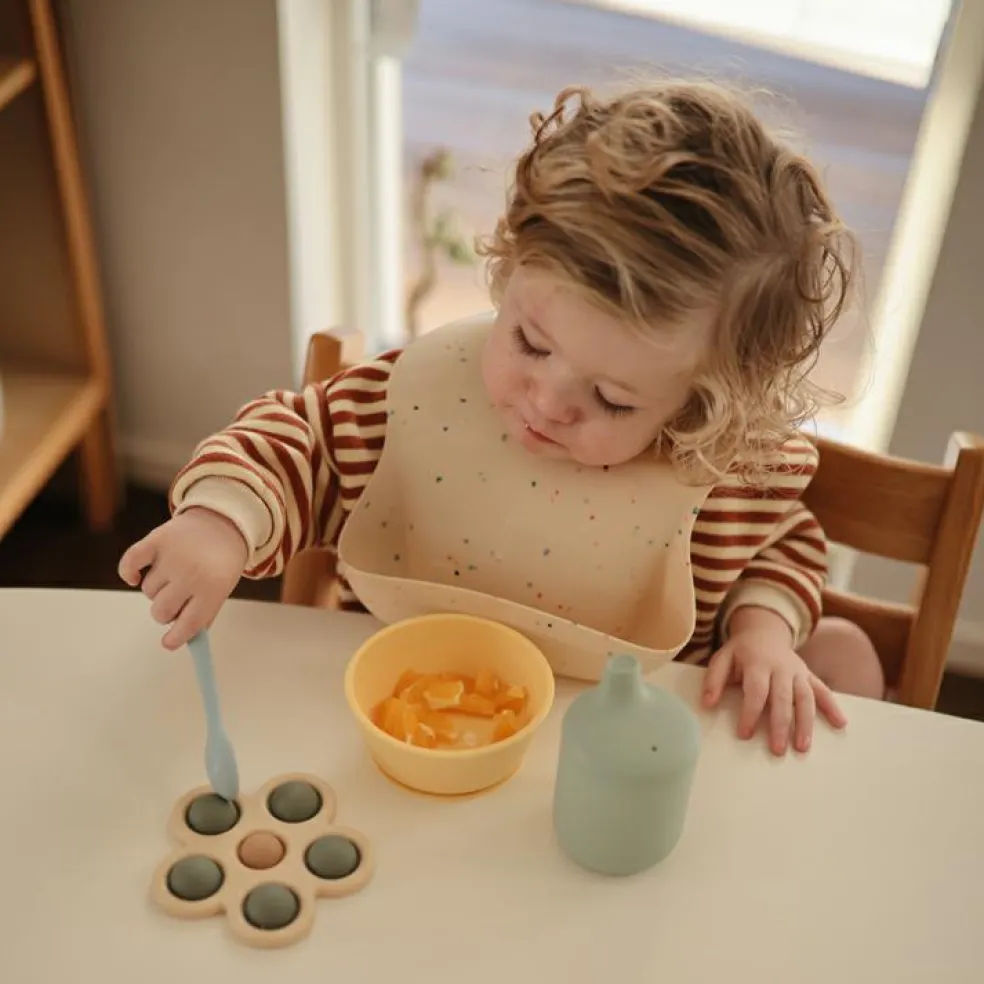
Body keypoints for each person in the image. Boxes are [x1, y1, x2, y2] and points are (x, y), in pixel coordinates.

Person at [119, 79, 886, 757]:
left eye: (613, 399)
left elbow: (780, 544)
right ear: (508, 267)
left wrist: (762, 632)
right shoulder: (417, 404)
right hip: (406, 728)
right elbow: (302, 446)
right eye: (530, 343)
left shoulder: (716, 470)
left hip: (608, 759)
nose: (547, 401)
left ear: (704, 404)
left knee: (844, 655)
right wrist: (220, 524)